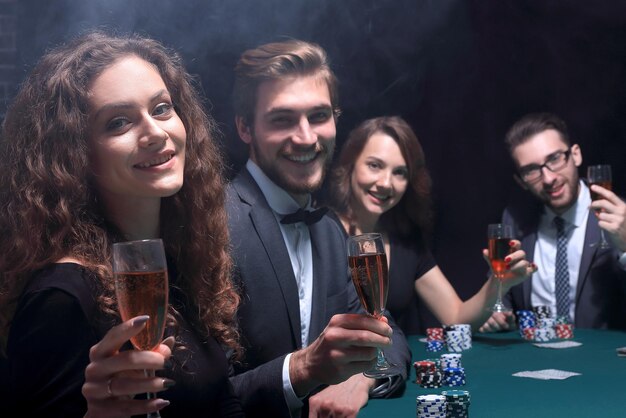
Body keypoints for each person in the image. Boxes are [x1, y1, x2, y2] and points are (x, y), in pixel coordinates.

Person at [0, 31, 244, 417]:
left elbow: (222, 402)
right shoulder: (63, 296)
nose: (154, 132)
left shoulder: (176, 263)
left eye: (162, 108)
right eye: (118, 122)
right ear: (76, 155)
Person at [226, 39, 412, 418]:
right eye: (282, 119)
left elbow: (384, 328)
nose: (307, 137)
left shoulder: (328, 228)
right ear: (245, 127)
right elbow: (195, 401)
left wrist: (361, 378)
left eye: (319, 116)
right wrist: (304, 369)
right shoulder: (213, 226)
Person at [324, 116, 536, 336]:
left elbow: (455, 317)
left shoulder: (407, 244)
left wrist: (498, 283)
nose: (386, 183)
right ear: (351, 165)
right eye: (374, 165)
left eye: (400, 173)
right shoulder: (323, 234)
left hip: (393, 365)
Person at [480, 112, 626, 332]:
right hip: (537, 358)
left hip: (603, 359)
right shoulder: (515, 219)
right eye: (531, 170)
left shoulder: (619, 215)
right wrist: (496, 310)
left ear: (575, 155)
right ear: (521, 181)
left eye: (555, 158)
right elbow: (502, 285)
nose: (549, 178)